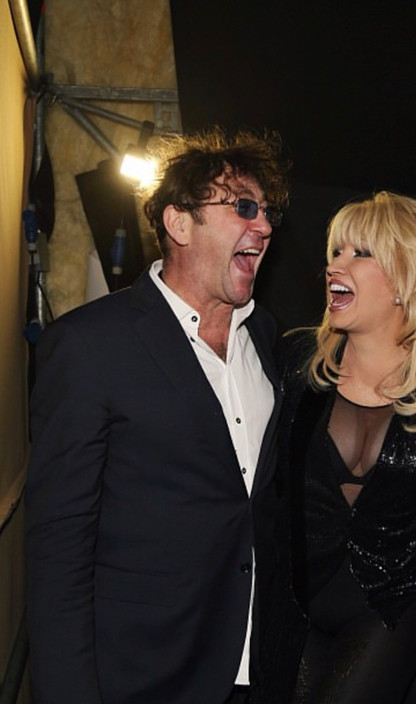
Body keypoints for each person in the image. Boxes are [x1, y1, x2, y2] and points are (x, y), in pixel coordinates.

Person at [25, 127, 290, 704]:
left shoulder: (265, 338)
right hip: (142, 676)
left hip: (257, 670)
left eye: (268, 212)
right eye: (244, 208)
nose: (265, 227)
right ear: (179, 224)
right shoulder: (91, 346)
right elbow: (58, 551)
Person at [261, 192, 416, 704]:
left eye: (360, 253)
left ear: (406, 279)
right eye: (336, 252)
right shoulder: (296, 363)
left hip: (395, 605)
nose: (335, 265)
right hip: (299, 598)